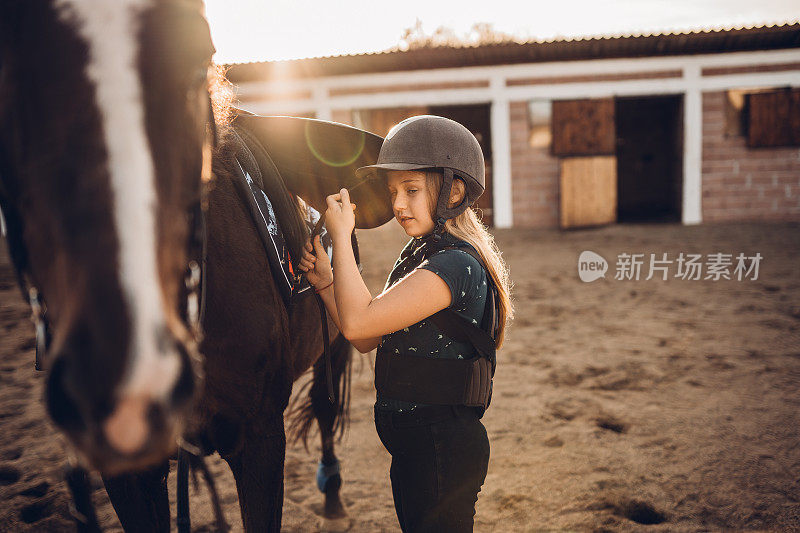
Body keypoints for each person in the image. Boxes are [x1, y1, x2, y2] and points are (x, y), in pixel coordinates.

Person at [298, 115, 513, 532]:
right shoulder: (418, 257)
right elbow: (367, 337)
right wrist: (326, 283)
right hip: (416, 447)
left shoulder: (454, 266)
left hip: (441, 450)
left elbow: (359, 324)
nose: (397, 204)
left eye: (411, 190)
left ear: (454, 190)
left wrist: (342, 237)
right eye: (393, 191)